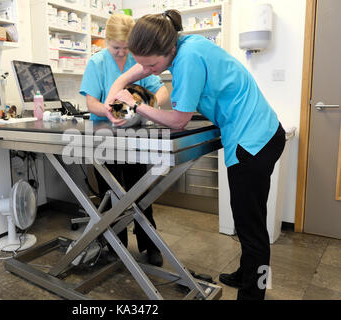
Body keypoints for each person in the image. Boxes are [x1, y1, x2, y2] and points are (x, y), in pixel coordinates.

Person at [104, 10, 285, 300]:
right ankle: (246, 273)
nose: (148, 70)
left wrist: (135, 107)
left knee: (251, 229)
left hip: (253, 142)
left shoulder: (187, 59)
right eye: (144, 64)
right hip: (259, 134)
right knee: (246, 219)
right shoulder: (180, 45)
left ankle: (253, 293)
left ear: (167, 51)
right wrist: (115, 99)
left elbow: (178, 120)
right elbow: (131, 73)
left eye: (152, 65)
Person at [79, 13, 170, 267]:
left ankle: (150, 244)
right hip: (106, 135)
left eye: (125, 47)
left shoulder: (137, 61)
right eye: (115, 47)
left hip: (134, 136)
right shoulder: (97, 63)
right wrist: (110, 111)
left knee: (139, 191)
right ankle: (114, 246)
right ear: (106, 41)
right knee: (111, 192)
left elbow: (161, 88)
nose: (121, 53)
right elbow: (91, 103)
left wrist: (148, 103)